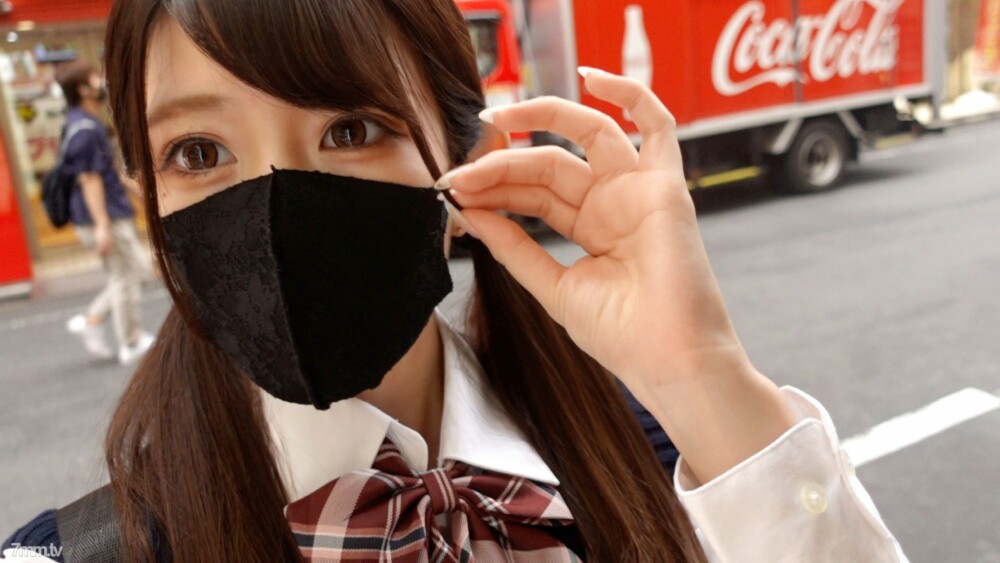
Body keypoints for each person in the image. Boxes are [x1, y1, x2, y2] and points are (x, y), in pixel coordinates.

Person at [3, 0, 908, 561]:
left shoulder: (660, 452)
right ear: (148, 199)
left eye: (351, 130)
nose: (277, 210)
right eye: (199, 152)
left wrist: (700, 376)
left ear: (465, 167)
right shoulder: (77, 556)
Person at [55, 61, 154, 366]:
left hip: (108, 213)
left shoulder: (82, 123)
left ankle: (93, 321)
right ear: (83, 89)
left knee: (129, 272)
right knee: (128, 274)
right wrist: (102, 225)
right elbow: (90, 178)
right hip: (106, 216)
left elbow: (110, 172)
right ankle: (130, 341)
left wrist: (142, 195)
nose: (101, 83)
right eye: (95, 78)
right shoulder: (85, 129)